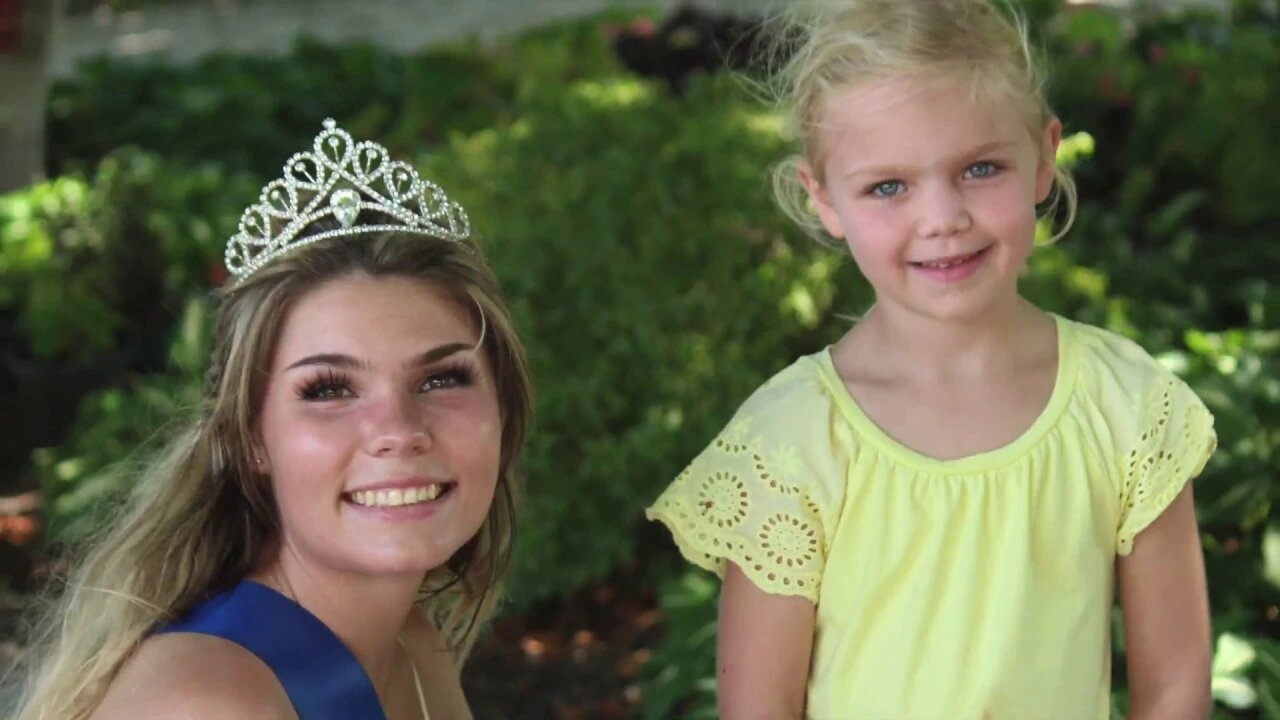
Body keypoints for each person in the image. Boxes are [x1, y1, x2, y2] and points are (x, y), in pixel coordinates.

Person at [646, 1, 1216, 717]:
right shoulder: (790, 442)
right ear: (821, 199)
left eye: (980, 168)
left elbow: (1175, 684)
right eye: (888, 186)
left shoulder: (1126, 407)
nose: (942, 217)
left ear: (1044, 158)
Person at [14, 119, 532, 720]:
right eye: (330, 389)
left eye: (442, 378)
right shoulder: (208, 704)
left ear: (504, 407)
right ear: (251, 438)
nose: (398, 429)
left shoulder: (410, 642)